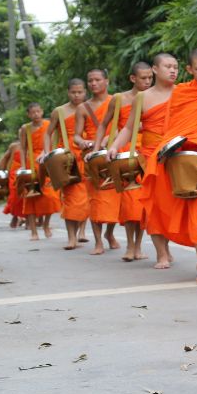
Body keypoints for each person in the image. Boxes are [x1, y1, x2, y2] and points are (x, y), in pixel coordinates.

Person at [145, 48, 197, 283]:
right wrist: (170, 149)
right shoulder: (181, 92)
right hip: (189, 159)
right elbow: (172, 127)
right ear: (189, 70)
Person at [111, 54, 179, 269]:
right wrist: (113, 146)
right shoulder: (143, 97)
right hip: (151, 157)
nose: (173, 71)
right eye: (168, 66)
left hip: (177, 153)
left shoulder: (184, 93)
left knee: (177, 205)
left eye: (176, 67)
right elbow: (129, 128)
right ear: (155, 69)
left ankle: (178, 252)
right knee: (155, 206)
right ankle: (161, 254)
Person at [105, 62, 156, 262]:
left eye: (150, 78)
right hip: (126, 154)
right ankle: (129, 245)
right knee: (129, 202)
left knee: (143, 204)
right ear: (133, 78)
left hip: (148, 153)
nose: (147, 82)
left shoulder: (155, 98)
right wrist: (104, 144)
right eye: (143, 78)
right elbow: (107, 125)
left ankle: (139, 245)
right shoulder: (120, 99)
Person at [48, 80, 94, 250]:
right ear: (68, 92)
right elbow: (48, 134)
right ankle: (71, 237)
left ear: (85, 92)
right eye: (73, 92)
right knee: (70, 199)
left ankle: (81, 231)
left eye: (80, 92)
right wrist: (47, 154)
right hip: (67, 161)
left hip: (86, 157)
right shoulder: (59, 111)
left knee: (85, 199)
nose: (77, 95)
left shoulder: (90, 109)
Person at [85, 69, 123, 255]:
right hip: (93, 155)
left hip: (113, 152)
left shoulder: (116, 100)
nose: (93, 83)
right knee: (96, 200)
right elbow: (76, 134)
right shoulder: (83, 107)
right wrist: (88, 144)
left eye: (97, 80)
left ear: (106, 81)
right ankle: (98, 241)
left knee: (114, 200)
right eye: (90, 80)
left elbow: (126, 124)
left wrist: (112, 139)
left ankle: (110, 233)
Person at [18, 103, 61, 240]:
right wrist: (24, 166)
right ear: (28, 114)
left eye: (38, 111)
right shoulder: (26, 128)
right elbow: (23, 148)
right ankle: (33, 231)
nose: (36, 115)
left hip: (46, 161)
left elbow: (54, 141)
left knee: (51, 196)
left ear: (42, 112)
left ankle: (46, 225)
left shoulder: (49, 124)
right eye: (33, 112)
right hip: (32, 162)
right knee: (31, 197)